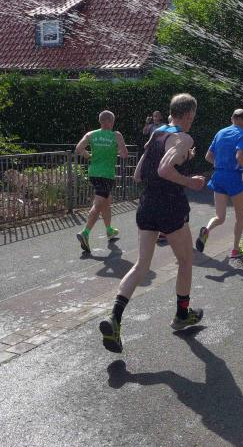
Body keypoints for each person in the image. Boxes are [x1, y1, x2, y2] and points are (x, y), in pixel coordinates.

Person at [99, 93, 207, 353]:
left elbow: (138, 175)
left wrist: (183, 157)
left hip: (147, 204)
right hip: (170, 206)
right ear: (188, 115)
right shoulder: (184, 137)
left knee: (141, 265)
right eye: (193, 116)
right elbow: (164, 169)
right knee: (186, 261)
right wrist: (190, 181)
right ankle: (182, 314)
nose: (192, 121)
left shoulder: (157, 133)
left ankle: (114, 318)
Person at [195, 109, 243, 259]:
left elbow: (208, 156)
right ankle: (236, 250)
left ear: (232, 118)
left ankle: (207, 230)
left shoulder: (220, 133)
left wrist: (220, 165)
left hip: (218, 176)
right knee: (240, 216)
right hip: (234, 177)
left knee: (220, 216)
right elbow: (239, 156)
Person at [74, 111, 129, 252]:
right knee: (98, 203)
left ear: (100, 121)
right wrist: (113, 151)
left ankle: (109, 230)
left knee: (107, 200)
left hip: (93, 173)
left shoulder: (91, 134)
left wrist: (88, 156)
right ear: (112, 122)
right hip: (106, 174)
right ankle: (85, 232)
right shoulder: (116, 135)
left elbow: (79, 148)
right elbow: (124, 154)